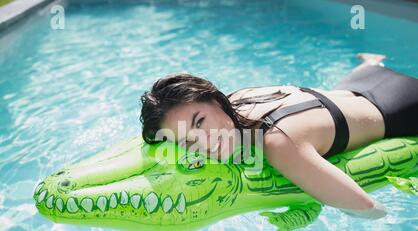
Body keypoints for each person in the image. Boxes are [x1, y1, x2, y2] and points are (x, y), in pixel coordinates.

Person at [139, 53, 418, 219]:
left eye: (199, 122)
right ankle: (373, 60)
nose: (205, 141)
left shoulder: (278, 144)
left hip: (404, 106)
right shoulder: (240, 99)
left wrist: (310, 202)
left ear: (215, 100)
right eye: (188, 142)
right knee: (368, 66)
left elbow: (368, 208)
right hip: (362, 79)